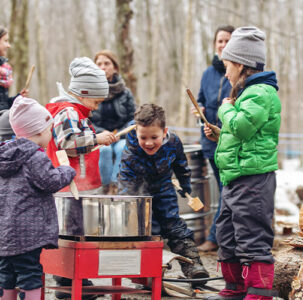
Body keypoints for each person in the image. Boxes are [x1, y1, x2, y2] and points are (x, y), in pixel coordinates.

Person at [204, 27, 281, 300]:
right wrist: (219, 132)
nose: (225, 73)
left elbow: (243, 126)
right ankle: (235, 287)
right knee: (227, 233)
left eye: (227, 65)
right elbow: (240, 133)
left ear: (239, 63)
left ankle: (259, 293)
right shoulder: (248, 92)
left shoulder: (260, 92)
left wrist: (224, 110)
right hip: (235, 177)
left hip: (253, 179)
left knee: (251, 236)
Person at [45, 57, 116, 300]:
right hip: (68, 185)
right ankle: (72, 281)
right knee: (73, 232)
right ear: (84, 93)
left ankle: (71, 278)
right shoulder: (68, 111)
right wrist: (97, 139)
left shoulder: (74, 111)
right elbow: (67, 143)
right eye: (96, 101)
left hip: (72, 185)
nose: (96, 107)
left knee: (72, 231)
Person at [118, 103, 209, 285]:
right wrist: (129, 202)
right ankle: (147, 273)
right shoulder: (131, 151)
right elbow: (125, 180)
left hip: (163, 188)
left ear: (164, 131)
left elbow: (181, 164)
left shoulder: (173, 142)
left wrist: (184, 184)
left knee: (174, 225)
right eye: (143, 137)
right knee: (147, 230)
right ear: (136, 131)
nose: (149, 142)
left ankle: (193, 267)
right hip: (139, 194)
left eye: (154, 137)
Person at [0, 96, 76, 300]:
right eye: (50, 130)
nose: (50, 135)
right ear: (39, 131)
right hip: (28, 233)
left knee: (6, 274)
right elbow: (50, 182)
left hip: (4, 233)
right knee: (30, 274)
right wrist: (67, 171)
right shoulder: (35, 156)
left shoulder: (5, 155)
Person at [193, 25, 234, 252]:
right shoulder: (208, 73)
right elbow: (200, 99)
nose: (223, 44)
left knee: (227, 191)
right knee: (222, 191)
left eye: (227, 40)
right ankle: (219, 238)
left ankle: (216, 238)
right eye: (220, 40)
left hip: (230, 140)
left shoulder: (239, 72)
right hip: (209, 141)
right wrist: (199, 108)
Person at [91, 50, 135, 194]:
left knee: (122, 148)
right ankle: (104, 188)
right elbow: (86, 120)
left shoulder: (125, 92)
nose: (103, 67)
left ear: (115, 67)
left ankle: (116, 186)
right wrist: (101, 133)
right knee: (104, 150)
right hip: (98, 137)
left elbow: (133, 118)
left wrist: (120, 134)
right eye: (99, 64)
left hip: (120, 136)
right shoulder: (90, 92)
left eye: (107, 63)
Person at [0, 26, 28, 111]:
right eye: (6, 41)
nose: (9, 45)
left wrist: (18, 97)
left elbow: (4, 104)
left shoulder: (4, 72)